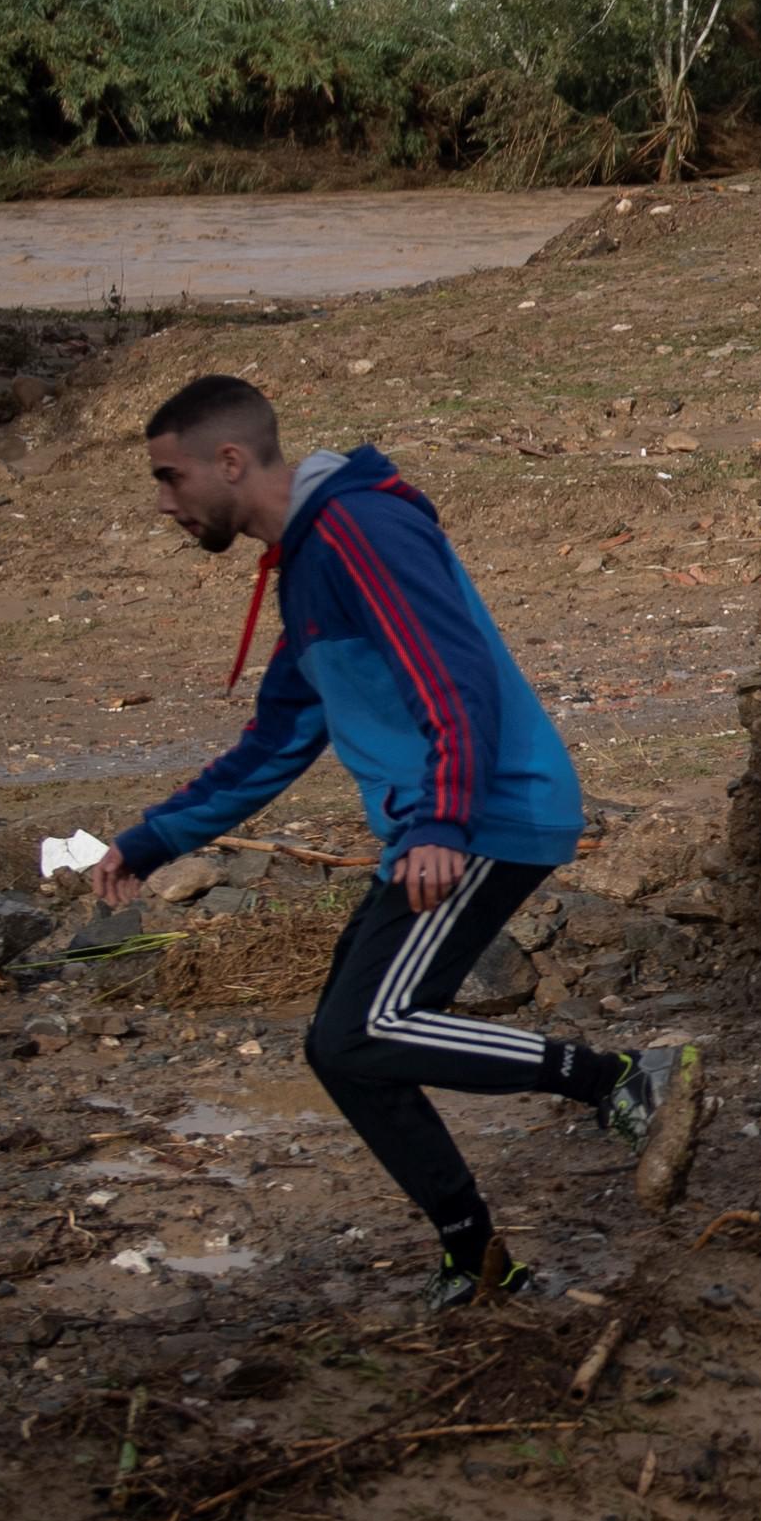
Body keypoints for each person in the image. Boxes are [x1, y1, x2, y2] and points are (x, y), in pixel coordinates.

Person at [81, 374, 691, 1306]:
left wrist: (443, 815)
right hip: (439, 822)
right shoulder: (310, 564)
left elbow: (452, 674)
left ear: (230, 460)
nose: (163, 503)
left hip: (485, 811)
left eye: (169, 477)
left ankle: (618, 1076)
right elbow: (276, 742)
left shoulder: (362, 529)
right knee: (344, 1047)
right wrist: (151, 841)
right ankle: (474, 1257)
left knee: (367, 1026)